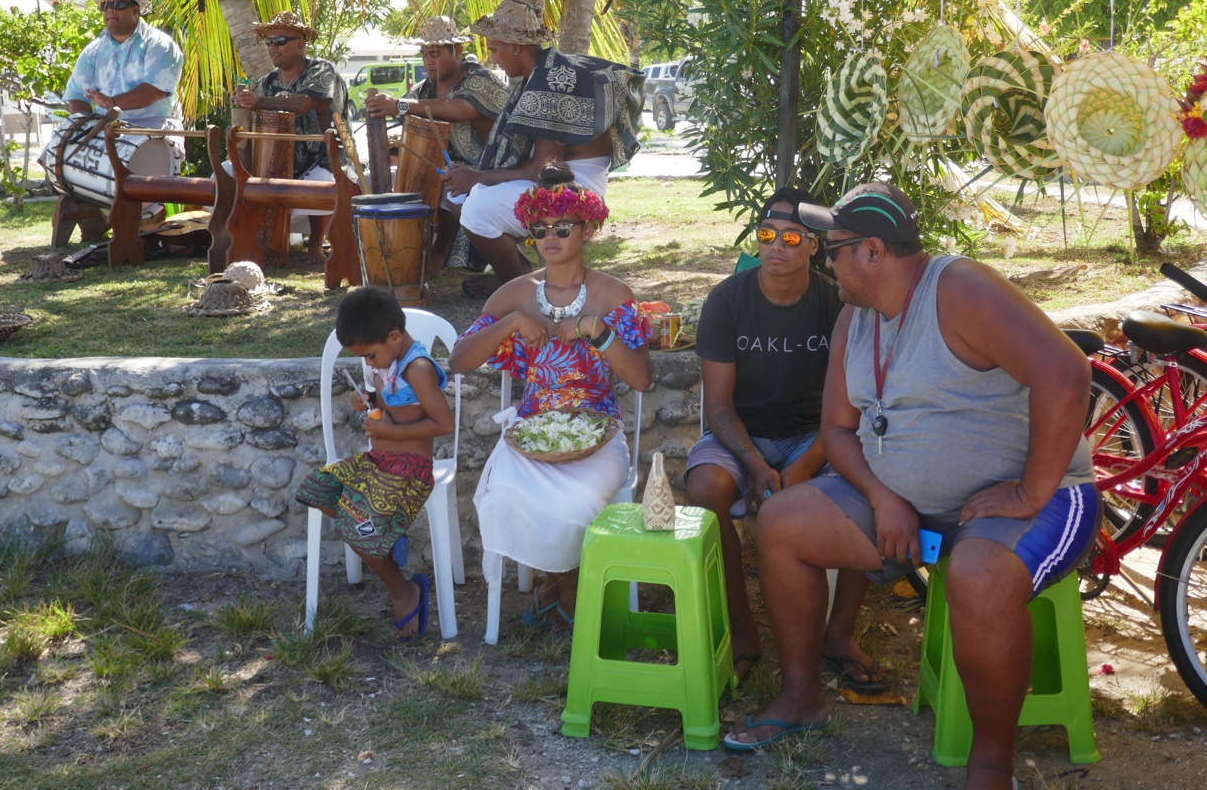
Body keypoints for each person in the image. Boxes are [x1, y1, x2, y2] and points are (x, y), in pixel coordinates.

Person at [725, 183, 1099, 790]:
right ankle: (801, 697)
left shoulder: (959, 288)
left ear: (873, 251)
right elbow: (837, 429)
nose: (827, 263)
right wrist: (883, 496)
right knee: (782, 523)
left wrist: (1029, 494)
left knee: (976, 574)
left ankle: (990, 766)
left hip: (1037, 501)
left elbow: (1066, 371)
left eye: (834, 250)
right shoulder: (855, 316)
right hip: (908, 507)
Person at [686, 187, 885, 690]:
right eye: (767, 234)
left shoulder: (838, 304)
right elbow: (718, 407)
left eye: (792, 237)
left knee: (868, 485)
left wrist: (803, 466)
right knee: (706, 489)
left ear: (815, 245)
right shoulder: (727, 300)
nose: (776, 246)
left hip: (814, 435)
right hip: (741, 434)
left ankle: (838, 636)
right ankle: (742, 629)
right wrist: (755, 464)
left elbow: (849, 408)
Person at [449, 161, 653, 632]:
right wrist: (511, 323)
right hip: (532, 434)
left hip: (597, 435)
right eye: (539, 229)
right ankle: (566, 586)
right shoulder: (514, 294)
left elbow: (642, 379)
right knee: (502, 496)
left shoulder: (613, 294)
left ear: (588, 228)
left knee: (576, 506)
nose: (550, 237)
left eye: (563, 226)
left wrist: (597, 331)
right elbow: (459, 361)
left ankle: (560, 588)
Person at [442, 0, 645, 300]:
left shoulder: (551, 81)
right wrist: (475, 179)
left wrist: (476, 178)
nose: (493, 59)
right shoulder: (546, 71)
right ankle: (520, 278)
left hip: (573, 187)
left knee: (476, 209)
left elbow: (542, 170)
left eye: (495, 50)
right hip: (561, 178)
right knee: (462, 196)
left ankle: (519, 285)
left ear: (515, 46)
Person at [295, 287, 455, 640]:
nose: (368, 363)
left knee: (360, 528)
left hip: (408, 470)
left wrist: (390, 431)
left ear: (394, 337)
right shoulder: (388, 361)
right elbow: (389, 402)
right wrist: (366, 399)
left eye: (369, 355)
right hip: (378, 462)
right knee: (317, 488)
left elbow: (444, 423)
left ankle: (403, 591)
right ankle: (385, 532)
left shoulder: (417, 368)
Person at [365, 16, 509, 273]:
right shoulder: (423, 90)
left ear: (458, 51)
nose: (428, 62)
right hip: (447, 170)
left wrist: (398, 105)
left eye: (435, 54)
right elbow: (406, 118)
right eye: (424, 55)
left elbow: (460, 109)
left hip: (492, 172)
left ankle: (506, 263)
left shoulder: (479, 79)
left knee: (452, 190)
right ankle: (401, 253)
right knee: (380, 180)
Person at [229, 11, 349, 264]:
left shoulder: (321, 70)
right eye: (269, 41)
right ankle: (239, 239)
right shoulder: (266, 82)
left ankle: (315, 243)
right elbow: (250, 118)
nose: (273, 47)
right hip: (278, 159)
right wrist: (241, 103)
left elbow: (303, 103)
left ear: (301, 42)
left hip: (325, 157)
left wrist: (257, 101)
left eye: (280, 41)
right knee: (226, 172)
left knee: (320, 182)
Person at [42, 0, 185, 176]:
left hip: (152, 128)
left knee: (134, 177)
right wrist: (86, 127)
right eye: (106, 5)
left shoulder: (160, 44)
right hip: (105, 128)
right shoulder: (93, 51)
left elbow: (155, 90)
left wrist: (113, 102)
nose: (111, 10)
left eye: (119, 5)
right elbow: (77, 95)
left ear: (135, 11)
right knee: (53, 154)